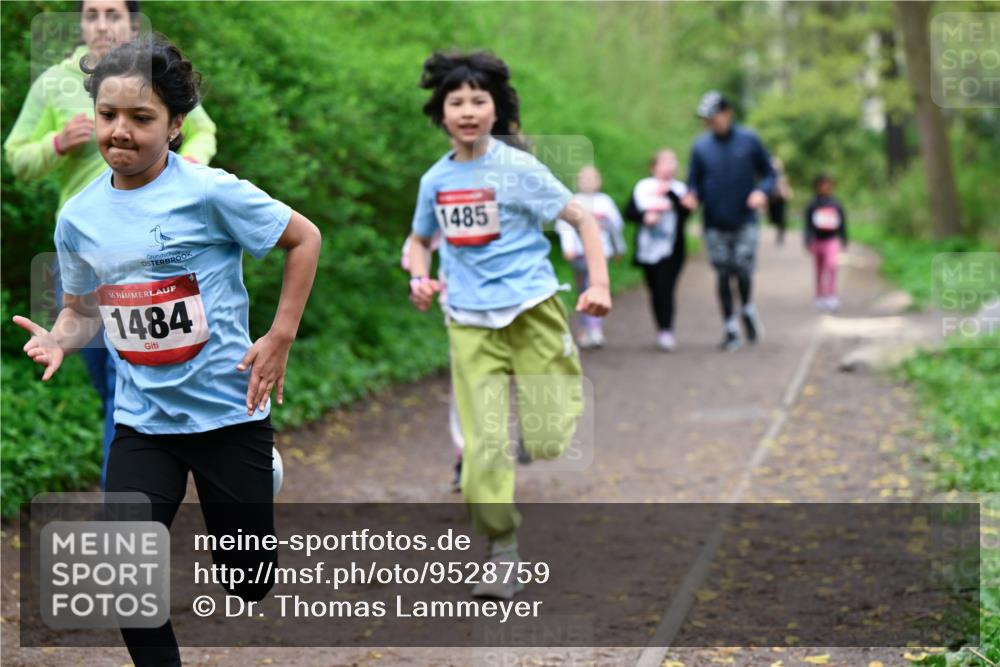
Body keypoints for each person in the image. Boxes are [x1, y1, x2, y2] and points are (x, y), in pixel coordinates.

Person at [12, 36, 321, 665]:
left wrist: (280, 335)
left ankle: (266, 474)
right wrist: (59, 339)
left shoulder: (210, 192)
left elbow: (303, 238)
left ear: (176, 125)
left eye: (141, 117)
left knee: (247, 580)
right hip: (143, 418)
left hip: (228, 413)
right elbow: (81, 310)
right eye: (107, 116)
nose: (120, 131)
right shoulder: (78, 216)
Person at [406, 50, 610, 599]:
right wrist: (420, 277)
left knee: (545, 440)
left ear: (496, 109)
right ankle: (502, 549)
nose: (468, 110)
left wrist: (599, 285)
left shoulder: (518, 169)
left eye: (479, 100)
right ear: (441, 113)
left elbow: (582, 218)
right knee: (483, 449)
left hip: (532, 310)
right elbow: (420, 239)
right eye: (457, 102)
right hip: (470, 322)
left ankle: (560, 388)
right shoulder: (435, 181)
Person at [4, 0, 217, 488]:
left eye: (114, 13)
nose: (103, 24)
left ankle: (130, 496)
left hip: (156, 253)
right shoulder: (54, 84)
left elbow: (201, 130)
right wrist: (56, 144)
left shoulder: (153, 73)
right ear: (81, 22)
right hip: (83, 258)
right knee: (111, 384)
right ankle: (146, 476)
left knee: (133, 380)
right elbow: (15, 159)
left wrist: (193, 170)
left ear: (131, 22)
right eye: (93, 13)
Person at [683, 90, 776, 352]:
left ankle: (747, 307)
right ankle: (730, 327)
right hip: (714, 222)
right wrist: (692, 197)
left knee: (743, 268)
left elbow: (769, 174)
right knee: (723, 273)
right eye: (705, 119)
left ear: (727, 113)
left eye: (713, 117)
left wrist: (761, 192)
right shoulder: (700, 147)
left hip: (745, 220)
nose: (709, 122)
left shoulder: (749, 140)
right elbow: (694, 183)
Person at [400, 232, 466, 491]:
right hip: (463, 308)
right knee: (466, 386)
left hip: (518, 303)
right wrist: (420, 280)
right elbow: (419, 242)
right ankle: (466, 457)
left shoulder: (515, 192)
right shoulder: (445, 191)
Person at [555, 164, 625, 349]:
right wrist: (567, 247)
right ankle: (586, 328)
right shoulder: (574, 201)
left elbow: (615, 227)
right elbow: (564, 228)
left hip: (602, 254)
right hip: (579, 255)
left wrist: (619, 248)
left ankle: (595, 329)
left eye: (591, 179)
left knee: (597, 289)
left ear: (598, 182)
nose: (588, 182)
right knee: (583, 291)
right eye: (584, 179)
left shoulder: (605, 202)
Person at [628, 149, 692, 352]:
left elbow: (686, 213)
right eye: (664, 162)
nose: (669, 166)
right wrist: (644, 216)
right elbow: (628, 212)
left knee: (666, 288)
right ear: (654, 167)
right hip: (647, 249)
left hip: (672, 249)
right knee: (654, 289)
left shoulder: (681, 189)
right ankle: (661, 327)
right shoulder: (643, 187)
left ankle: (666, 330)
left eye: (672, 162)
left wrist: (670, 194)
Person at [804, 173, 848, 312]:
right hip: (817, 240)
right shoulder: (812, 204)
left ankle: (831, 295)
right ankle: (820, 296)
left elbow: (842, 223)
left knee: (832, 266)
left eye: (827, 184)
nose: (825, 187)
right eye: (822, 184)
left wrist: (844, 238)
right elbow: (808, 225)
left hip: (831, 240)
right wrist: (808, 240)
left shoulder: (836, 203)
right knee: (819, 269)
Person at [767, 156, 793, 246]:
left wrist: (787, 194)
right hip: (772, 200)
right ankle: (779, 232)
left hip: (781, 200)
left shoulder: (783, 176)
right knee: (774, 218)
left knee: (781, 219)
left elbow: (787, 187)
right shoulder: (769, 176)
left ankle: (780, 235)